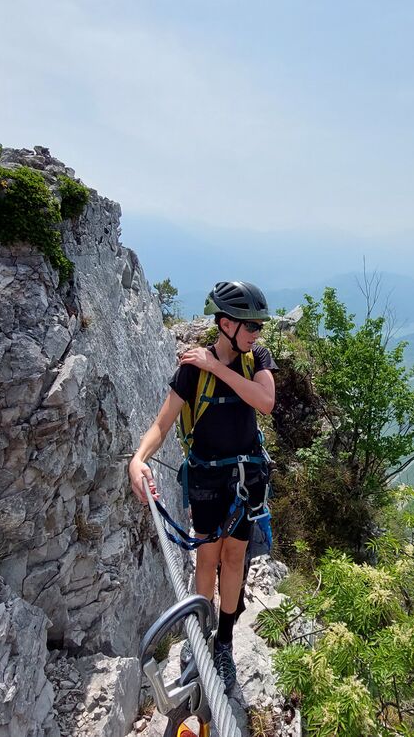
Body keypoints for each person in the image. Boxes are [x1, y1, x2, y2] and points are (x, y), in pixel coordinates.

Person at [129, 280, 277, 690]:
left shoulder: (256, 358)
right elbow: (163, 423)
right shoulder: (191, 369)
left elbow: (265, 402)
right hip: (209, 479)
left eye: (257, 327)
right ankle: (200, 635)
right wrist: (138, 459)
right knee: (208, 559)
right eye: (250, 326)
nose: (256, 334)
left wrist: (217, 368)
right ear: (227, 324)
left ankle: (224, 643)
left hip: (246, 479)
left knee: (235, 561)